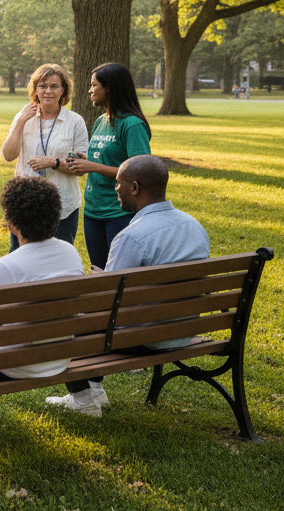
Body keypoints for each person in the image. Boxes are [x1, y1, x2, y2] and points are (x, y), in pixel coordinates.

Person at [48, 155, 210, 417]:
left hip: (142, 339)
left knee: (64, 314)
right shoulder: (193, 225)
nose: (115, 189)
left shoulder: (132, 237)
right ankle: (94, 390)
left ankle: (82, 398)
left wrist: (97, 282)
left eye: (118, 183)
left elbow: (108, 303)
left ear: (134, 188)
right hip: (183, 330)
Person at [0, 177, 83, 435]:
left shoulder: (6, 267)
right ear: (55, 217)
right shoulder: (71, 252)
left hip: (16, 365)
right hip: (59, 357)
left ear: (12, 225)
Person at [64, 62, 151, 270]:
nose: (90, 90)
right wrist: (84, 160)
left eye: (94, 85)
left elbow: (140, 173)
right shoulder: (101, 120)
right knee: (98, 271)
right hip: (93, 211)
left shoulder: (132, 125)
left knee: (119, 273)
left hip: (119, 212)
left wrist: (92, 166)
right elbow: (105, 159)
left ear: (109, 87)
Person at [0, 64, 89, 250]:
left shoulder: (75, 121)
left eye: (54, 86)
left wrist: (54, 162)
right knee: (20, 258)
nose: (48, 91)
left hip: (62, 204)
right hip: (25, 202)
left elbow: (81, 168)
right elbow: (8, 155)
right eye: (42, 86)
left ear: (63, 90)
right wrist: (20, 122)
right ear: (35, 89)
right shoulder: (23, 117)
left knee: (58, 259)